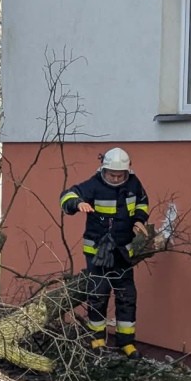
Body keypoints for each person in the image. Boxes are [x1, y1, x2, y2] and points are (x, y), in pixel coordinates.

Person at [59, 147, 150, 358]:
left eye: (120, 175)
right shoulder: (94, 184)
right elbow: (66, 197)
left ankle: (126, 342)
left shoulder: (134, 183)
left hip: (123, 253)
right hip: (97, 253)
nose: (117, 178)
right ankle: (97, 339)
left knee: (127, 296)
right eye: (112, 174)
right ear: (104, 170)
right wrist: (78, 203)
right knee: (98, 295)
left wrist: (138, 220)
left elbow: (143, 203)